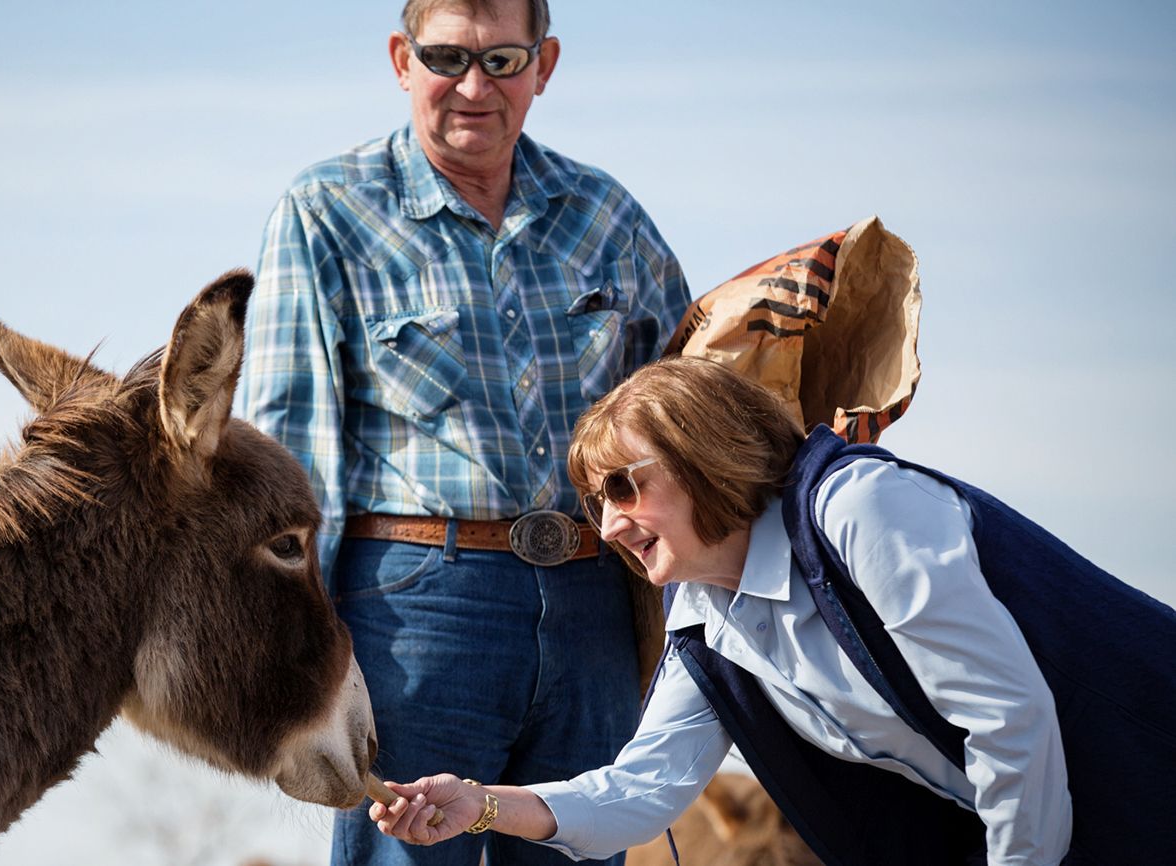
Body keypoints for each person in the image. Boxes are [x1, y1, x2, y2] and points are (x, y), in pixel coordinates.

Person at [370, 355, 1176, 865]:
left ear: (703, 455)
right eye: (594, 501)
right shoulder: (706, 621)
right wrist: (479, 805)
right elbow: (642, 791)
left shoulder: (863, 510)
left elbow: (1007, 719)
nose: (609, 525)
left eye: (623, 486)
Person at [239, 0, 691, 863]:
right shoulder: (327, 212)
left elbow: (687, 415)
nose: (473, 86)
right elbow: (290, 462)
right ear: (401, 61)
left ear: (545, 65)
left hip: (596, 605)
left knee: (584, 844)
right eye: (446, 57)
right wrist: (296, 663)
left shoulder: (608, 217)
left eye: (503, 61)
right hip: (415, 610)